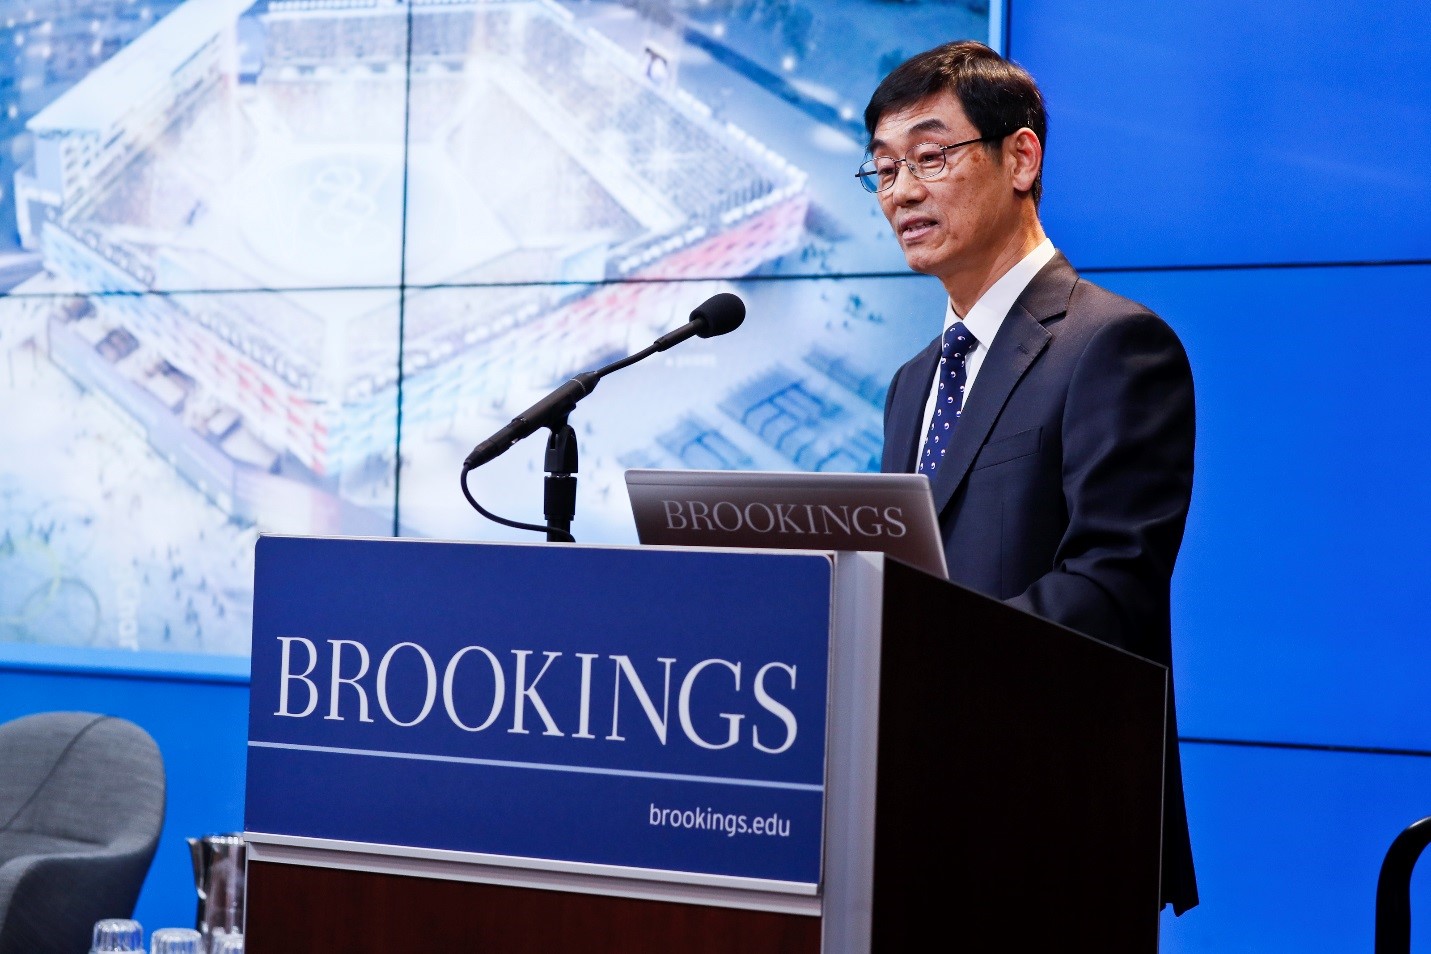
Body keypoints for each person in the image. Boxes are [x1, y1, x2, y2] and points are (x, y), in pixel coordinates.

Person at [865, 40, 1198, 914]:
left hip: (1058, 815)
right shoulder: (912, 382)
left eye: (929, 157)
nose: (900, 192)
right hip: (915, 809)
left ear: (1019, 158)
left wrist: (914, 659)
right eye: (884, 168)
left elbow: (1110, 588)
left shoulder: (1112, 345)